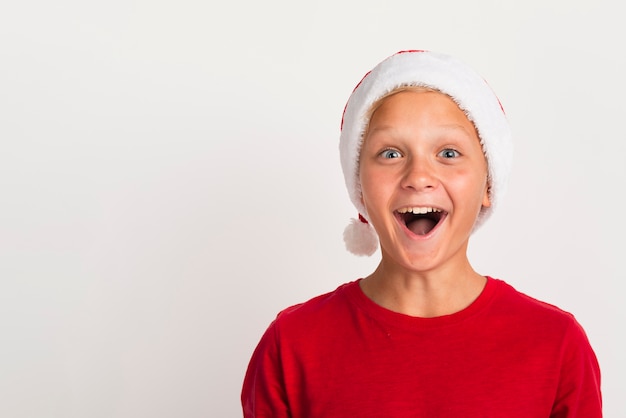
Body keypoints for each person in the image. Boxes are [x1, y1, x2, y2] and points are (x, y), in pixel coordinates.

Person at [241, 50, 602, 417]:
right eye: (391, 154)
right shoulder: (291, 346)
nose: (418, 177)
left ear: (488, 183)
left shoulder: (556, 346)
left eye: (448, 152)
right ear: (359, 186)